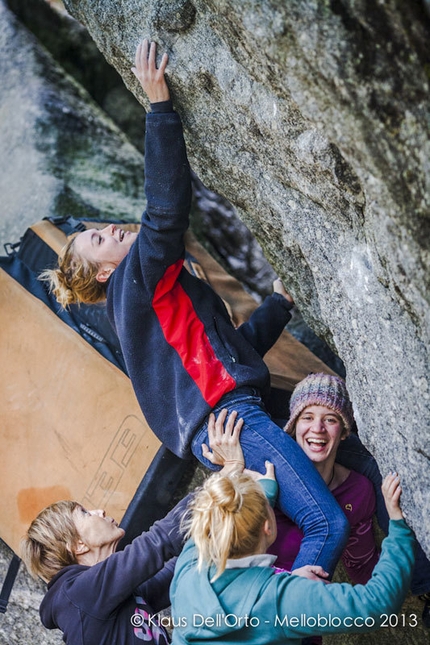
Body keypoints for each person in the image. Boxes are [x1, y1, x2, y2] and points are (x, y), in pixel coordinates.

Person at [40, 39, 349, 577]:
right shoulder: (133, 286)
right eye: (95, 242)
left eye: (94, 231)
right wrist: (159, 108)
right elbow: (164, 213)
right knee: (328, 524)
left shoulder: (150, 308)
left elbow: (234, 351)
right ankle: (294, 620)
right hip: (232, 422)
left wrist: (279, 303)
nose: (105, 229)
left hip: (225, 424)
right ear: (105, 272)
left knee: (298, 524)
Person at [170, 416, 415, 644]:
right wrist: (398, 527)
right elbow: (377, 604)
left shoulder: (191, 562)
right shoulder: (279, 601)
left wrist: (243, 474)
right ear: (267, 528)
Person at [21, 495, 190, 644]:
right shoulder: (79, 596)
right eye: (85, 513)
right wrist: (213, 488)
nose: (100, 512)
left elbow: (173, 575)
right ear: (77, 545)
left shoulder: (100, 598)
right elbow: (158, 540)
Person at [267, 372, 379, 584]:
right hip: (253, 599)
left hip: (306, 609)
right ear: (293, 426)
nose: (317, 428)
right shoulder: (267, 474)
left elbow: (361, 565)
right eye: (307, 417)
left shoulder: (357, 490)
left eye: (330, 419)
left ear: (344, 431)